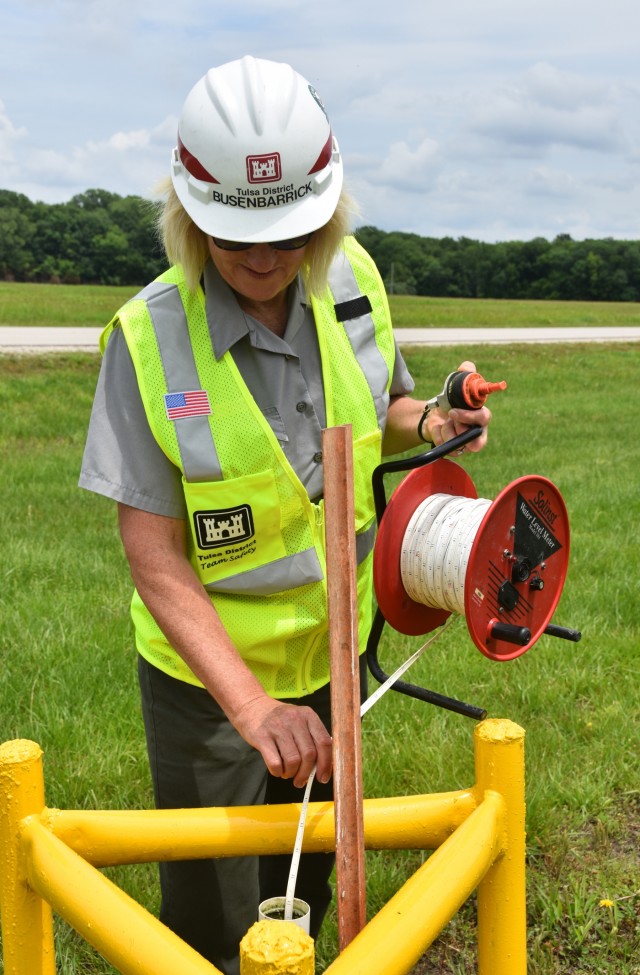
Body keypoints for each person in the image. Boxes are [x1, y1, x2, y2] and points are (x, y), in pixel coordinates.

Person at [79, 55, 491, 974]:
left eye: (291, 236)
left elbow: (378, 407)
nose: (265, 261)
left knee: (309, 901)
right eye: (235, 242)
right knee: (216, 922)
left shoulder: (353, 281)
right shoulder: (145, 340)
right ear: (190, 217)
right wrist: (254, 707)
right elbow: (152, 553)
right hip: (210, 690)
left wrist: (430, 421)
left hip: (332, 661)